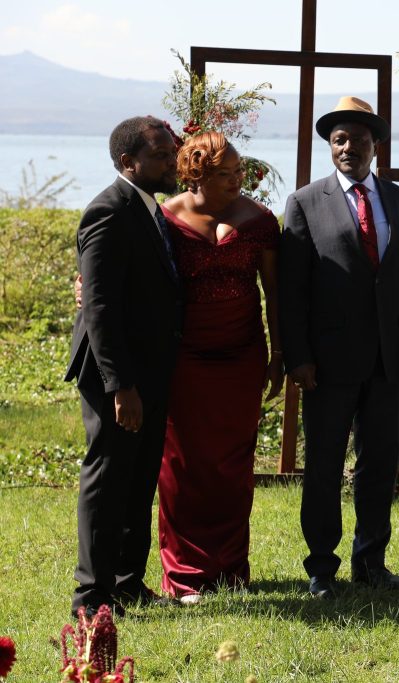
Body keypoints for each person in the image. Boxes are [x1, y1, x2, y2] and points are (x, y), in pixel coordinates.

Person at [279, 96, 399, 598]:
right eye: (340, 140)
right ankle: (321, 567)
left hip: (387, 362)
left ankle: (371, 560)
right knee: (323, 466)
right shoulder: (304, 203)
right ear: (329, 147)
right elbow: (292, 289)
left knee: (380, 464)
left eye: (359, 140)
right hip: (326, 364)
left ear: (375, 145)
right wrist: (296, 356)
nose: (349, 147)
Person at [156, 131, 283, 603]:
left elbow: (275, 294)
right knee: (183, 465)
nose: (237, 181)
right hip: (184, 357)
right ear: (196, 175)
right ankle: (186, 574)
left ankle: (230, 569)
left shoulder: (261, 220)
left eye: (238, 172)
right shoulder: (165, 219)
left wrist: (279, 355)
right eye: (225, 174)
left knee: (233, 464)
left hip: (242, 354)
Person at [65, 116, 182, 618]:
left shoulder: (151, 211)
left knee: (138, 479)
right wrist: (120, 386)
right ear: (127, 162)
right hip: (117, 376)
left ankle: (128, 582)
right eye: (160, 155)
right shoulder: (108, 212)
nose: (171, 161)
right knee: (108, 476)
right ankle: (91, 597)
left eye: (171, 151)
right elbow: (100, 308)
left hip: (150, 371)